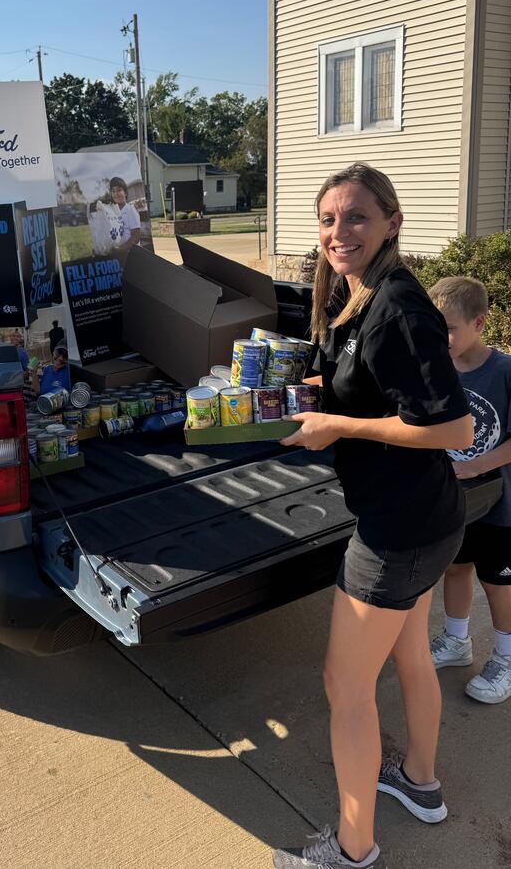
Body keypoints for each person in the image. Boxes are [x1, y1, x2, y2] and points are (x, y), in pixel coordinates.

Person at [272, 164, 473, 869]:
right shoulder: (359, 297)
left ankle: (352, 848)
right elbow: (371, 384)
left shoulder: (399, 306)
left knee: (345, 685)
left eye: (355, 216)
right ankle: (420, 780)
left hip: (398, 530)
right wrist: (316, 392)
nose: (338, 232)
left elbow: (452, 430)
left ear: (392, 222)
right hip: (424, 520)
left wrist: (338, 425)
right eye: (328, 219)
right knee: (411, 651)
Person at [427, 277, 511, 704]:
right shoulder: (438, 370)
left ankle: (507, 656)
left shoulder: (505, 372)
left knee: (498, 582)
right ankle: (457, 641)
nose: (440, 340)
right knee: (455, 568)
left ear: (478, 323)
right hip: (456, 502)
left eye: (449, 329)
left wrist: (477, 465)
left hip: (500, 505)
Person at [109, 177, 141, 254]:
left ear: (125, 193)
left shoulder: (130, 210)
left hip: (130, 253)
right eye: (113, 191)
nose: (116, 194)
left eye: (119, 190)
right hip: (118, 253)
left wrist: (121, 249)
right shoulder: (112, 211)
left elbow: (136, 236)